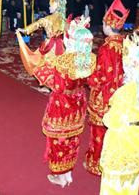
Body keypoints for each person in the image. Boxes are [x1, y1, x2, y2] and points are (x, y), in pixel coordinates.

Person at [33, 16, 96, 187]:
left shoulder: (63, 62)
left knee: (58, 140)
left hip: (62, 105)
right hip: (78, 103)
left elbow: (58, 86)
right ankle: (68, 173)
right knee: (73, 139)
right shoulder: (90, 59)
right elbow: (90, 82)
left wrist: (43, 71)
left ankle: (60, 176)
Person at [99, 34, 139, 195]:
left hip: (122, 140)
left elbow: (111, 120)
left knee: (114, 180)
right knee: (133, 177)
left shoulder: (124, 93)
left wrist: (106, 116)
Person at [84, 0, 128, 176]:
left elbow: (101, 76)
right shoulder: (125, 43)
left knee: (99, 131)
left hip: (104, 97)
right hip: (120, 94)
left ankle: (98, 163)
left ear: (108, 26)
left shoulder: (107, 48)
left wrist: (88, 76)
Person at [16, 0, 66, 91]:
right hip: (61, 44)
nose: (49, 7)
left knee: (44, 64)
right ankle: (57, 84)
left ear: (56, 6)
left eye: (51, 5)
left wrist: (24, 30)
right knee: (58, 64)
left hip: (50, 45)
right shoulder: (63, 18)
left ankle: (49, 86)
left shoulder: (48, 19)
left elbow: (37, 24)